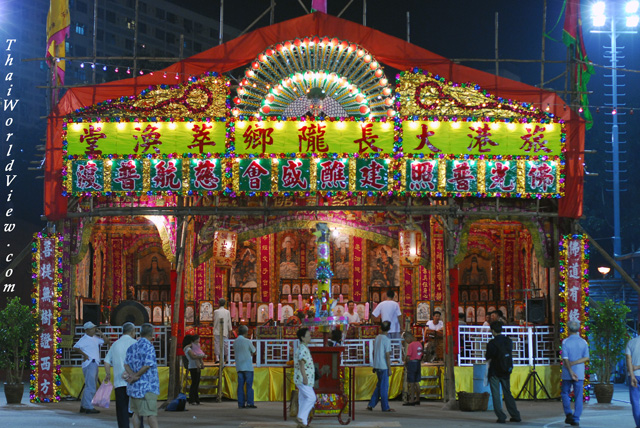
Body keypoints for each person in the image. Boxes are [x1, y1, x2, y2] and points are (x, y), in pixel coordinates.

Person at [124, 323, 160, 428]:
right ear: (151, 333)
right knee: (151, 414)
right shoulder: (149, 347)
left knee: (136, 413)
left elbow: (126, 364)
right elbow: (147, 365)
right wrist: (137, 375)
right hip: (147, 386)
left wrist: (132, 375)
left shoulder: (132, 347)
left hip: (134, 387)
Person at [486, 321, 521, 424]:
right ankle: (515, 415)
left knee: (496, 395)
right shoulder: (508, 341)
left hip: (494, 372)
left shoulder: (492, 343)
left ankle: (501, 417)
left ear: (492, 331)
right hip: (506, 370)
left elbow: (488, 356)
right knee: (507, 393)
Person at [73, 321, 111, 414]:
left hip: (94, 363)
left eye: (94, 328)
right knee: (91, 386)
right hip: (90, 363)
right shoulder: (84, 339)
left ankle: (84, 406)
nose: (94, 330)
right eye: (92, 328)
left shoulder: (95, 338)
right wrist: (85, 355)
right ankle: (88, 406)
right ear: (87, 330)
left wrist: (101, 333)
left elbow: (107, 341)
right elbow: (75, 347)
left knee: (89, 385)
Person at [104, 322, 136, 428]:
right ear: (132, 331)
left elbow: (107, 361)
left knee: (122, 410)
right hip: (134, 381)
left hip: (119, 382)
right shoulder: (135, 343)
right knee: (137, 409)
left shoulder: (115, 344)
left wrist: (108, 373)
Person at [561, 321, 589, 426]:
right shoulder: (584, 342)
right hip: (580, 373)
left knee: (565, 393)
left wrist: (571, 371)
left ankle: (568, 414)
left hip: (567, 373)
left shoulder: (565, 342)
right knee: (578, 396)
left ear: (568, 329)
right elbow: (586, 357)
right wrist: (576, 363)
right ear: (578, 329)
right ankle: (576, 418)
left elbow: (565, 359)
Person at [367, 321, 395, 412]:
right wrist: (389, 368)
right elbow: (387, 355)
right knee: (384, 387)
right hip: (383, 366)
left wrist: (374, 364)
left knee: (379, 386)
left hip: (377, 365)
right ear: (389, 329)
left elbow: (374, 352)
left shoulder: (377, 337)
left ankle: (371, 404)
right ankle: (385, 407)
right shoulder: (387, 340)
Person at [294, 327, 315, 428]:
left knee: (303, 399)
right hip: (303, 378)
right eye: (308, 335)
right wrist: (305, 377)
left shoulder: (304, 347)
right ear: (302, 338)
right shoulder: (302, 348)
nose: (310, 337)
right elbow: (301, 363)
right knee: (311, 397)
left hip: (303, 378)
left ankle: (303, 424)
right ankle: (301, 417)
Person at [234, 325, 257, 409]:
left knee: (240, 385)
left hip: (239, 366)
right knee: (249, 385)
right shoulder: (247, 341)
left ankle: (241, 403)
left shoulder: (235, 341)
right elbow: (254, 351)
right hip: (247, 366)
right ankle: (250, 403)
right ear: (246, 332)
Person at [183, 334, 206, 405]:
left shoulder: (191, 348)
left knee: (196, 383)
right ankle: (192, 399)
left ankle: (196, 399)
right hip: (192, 366)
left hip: (196, 366)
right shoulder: (188, 349)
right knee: (194, 383)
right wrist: (201, 356)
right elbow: (193, 357)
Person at [403, 331, 422, 406]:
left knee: (411, 382)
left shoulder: (411, 345)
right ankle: (417, 398)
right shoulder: (419, 343)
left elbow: (408, 356)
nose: (406, 341)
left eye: (405, 339)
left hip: (412, 363)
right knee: (416, 382)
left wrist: (405, 362)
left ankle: (411, 400)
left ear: (408, 337)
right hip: (418, 363)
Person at [626, 330, 640, 428]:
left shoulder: (631, 342)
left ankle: (638, 424)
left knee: (635, 402)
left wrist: (632, 376)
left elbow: (628, 360)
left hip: (634, 375)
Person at [213, 298, 233, 363]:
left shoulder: (216, 312)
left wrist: (214, 328)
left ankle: (217, 358)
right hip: (225, 330)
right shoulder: (227, 312)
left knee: (217, 343)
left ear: (219, 303)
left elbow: (214, 321)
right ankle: (227, 358)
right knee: (225, 344)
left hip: (217, 330)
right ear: (224, 304)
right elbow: (229, 322)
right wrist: (230, 329)